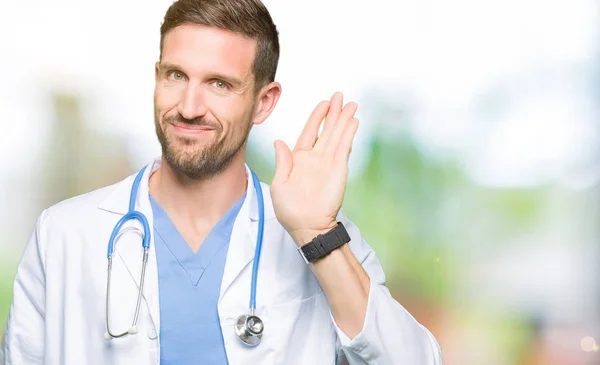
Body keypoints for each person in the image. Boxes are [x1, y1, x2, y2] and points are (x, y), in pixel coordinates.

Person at [0, 0, 442, 364]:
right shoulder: (63, 235)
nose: (190, 107)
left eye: (219, 84)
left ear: (263, 102)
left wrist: (317, 235)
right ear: (157, 77)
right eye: (176, 76)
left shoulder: (319, 232)